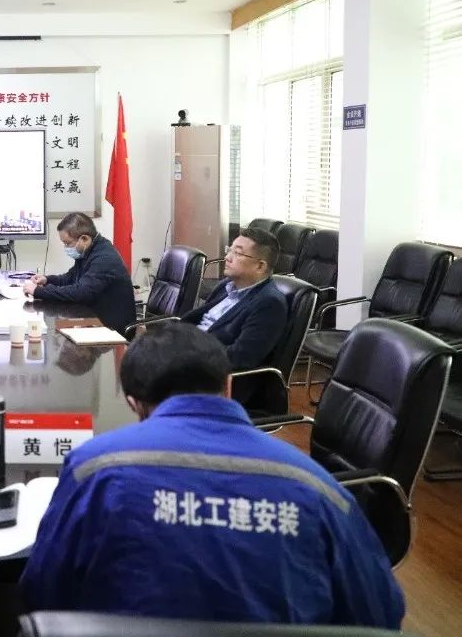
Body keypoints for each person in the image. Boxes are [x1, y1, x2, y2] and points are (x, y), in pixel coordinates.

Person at [20, 322, 405, 627]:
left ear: (133, 403)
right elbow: (379, 614)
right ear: (229, 385)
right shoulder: (316, 486)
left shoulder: (93, 467)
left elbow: (43, 591)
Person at [181, 227, 288, 371]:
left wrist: (189, 355)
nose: (227, 257)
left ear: (260, 266)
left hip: (207, 371)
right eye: (229, 250)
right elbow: (201, 321)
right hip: (187, 346)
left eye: (237, 253)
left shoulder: (270, 304)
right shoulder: (226, 285)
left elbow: (240, 358)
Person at [23, 212, 136, 333]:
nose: (66, 247)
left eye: (67, 243)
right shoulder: (89, 251)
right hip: (93, 318)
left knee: (56, 331)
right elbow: (70, 278)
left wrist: (38, 291)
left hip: (112, 328)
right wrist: (47, 280)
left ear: (84, 239)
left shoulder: (104, 258)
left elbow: (81, 292)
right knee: (56, 326)